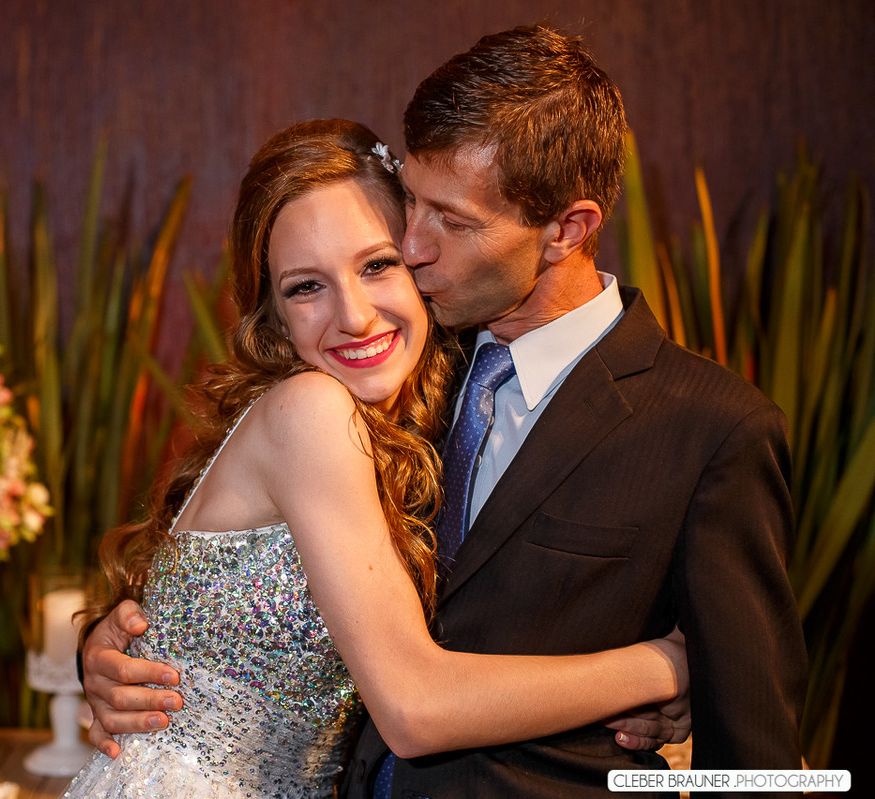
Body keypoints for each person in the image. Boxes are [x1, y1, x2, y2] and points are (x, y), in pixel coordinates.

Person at [82, 25, 808, 799]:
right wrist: (107, 644)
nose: (416, 248)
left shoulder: (710, 430)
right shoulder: (393, 376)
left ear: (568, 229)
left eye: (450, 223)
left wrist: (693, 702)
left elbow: (758, 763)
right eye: (412, 211)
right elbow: (237, 584)